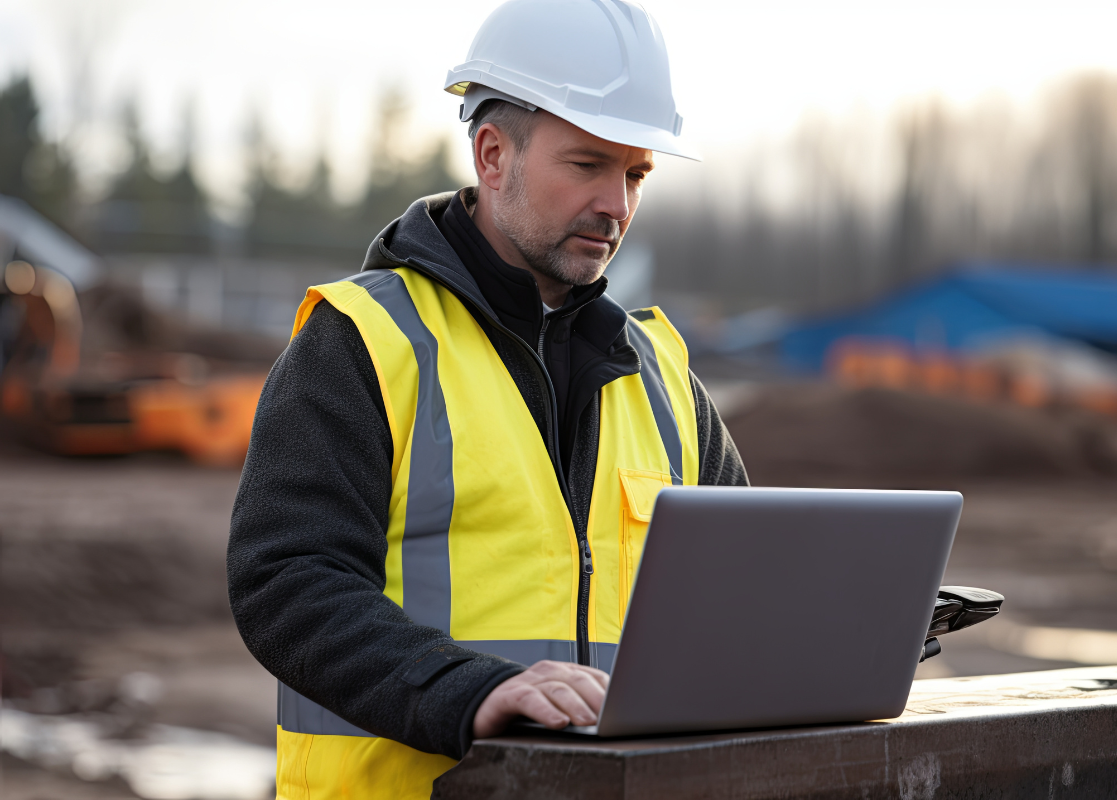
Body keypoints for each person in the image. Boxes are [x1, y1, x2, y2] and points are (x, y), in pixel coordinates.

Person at [227, 1, 747, 796]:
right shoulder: (362, 341)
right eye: (587, 165)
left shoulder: (664, 377)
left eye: (636, 173)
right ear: (493, 154)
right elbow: (288, 581)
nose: (617, 204)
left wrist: (854, 623)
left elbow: (745, 581)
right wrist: (467, 689)